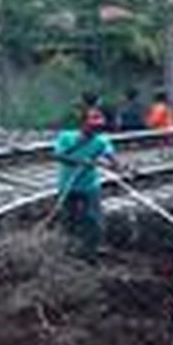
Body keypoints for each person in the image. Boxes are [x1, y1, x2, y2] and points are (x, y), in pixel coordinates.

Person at [53, 107, 121, 263]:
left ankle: (89, 252)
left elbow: (111, 158)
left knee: (93, 220)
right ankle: (67, 251)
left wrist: (120, 167)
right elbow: (58, 155)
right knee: (68, 219)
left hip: (89, 186)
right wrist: (81, 161)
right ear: (83, 122)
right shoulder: (66, 137)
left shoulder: (101, 141)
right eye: (94, 118)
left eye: (99, 119)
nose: (97, 123)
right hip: (68, 185)